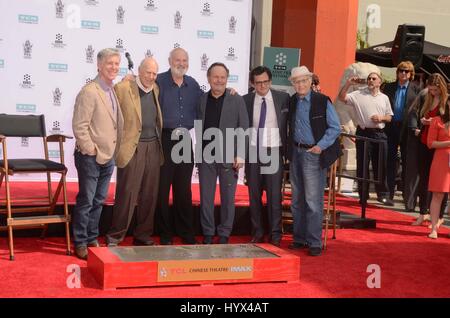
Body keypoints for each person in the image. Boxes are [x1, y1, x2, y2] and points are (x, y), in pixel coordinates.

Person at [72, 48, 123, 260]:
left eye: (116, 64)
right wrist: (91, 149)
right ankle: (81, 241)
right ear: (99, 66)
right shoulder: (89, 91)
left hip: (108, 156)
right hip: (90, 157)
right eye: (109, 63)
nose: (113, 67)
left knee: (99, 200)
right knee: (86, 200)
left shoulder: (112, 90)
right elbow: (79, 126)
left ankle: (92, 237)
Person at [106, 57, 163, 247]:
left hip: (153, 147)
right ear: (139, 70)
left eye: (155, 73)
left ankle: (143, 234)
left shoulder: (155, 89)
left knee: (150, 194)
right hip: (132, 148)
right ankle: (115, 236)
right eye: (148, 72)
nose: (151, 77)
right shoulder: (123, 88)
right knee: (127, 193)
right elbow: (111, 118)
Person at [287, 66, 341, 256]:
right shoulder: (292, 101)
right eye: (296, 81)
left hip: (313, 153)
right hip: (295, 152)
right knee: (296, 200)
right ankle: (299, 239)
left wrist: (320, 146)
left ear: (310, 81)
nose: (300, 84)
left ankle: (314, 241)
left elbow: (335, 127)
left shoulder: (321, 100)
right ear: (292, 84)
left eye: (303, 80)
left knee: (312, 200)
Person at [197, 62, 249, 244]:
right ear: (209, 78)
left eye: (222, 77)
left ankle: (225, 232)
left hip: (230, 157)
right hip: (206, 156)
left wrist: (240, 154)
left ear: (227, 79)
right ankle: (208, 232)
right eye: (215, 77)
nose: (219, 80)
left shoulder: (237, 99)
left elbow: (243, 127)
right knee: (206, 198)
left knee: (228, 198)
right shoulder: (202, 99)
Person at [156, 48, 203, 245]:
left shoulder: (192, 84)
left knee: (184, 190)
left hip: (184, 139)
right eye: (177, 60)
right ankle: (165, 233)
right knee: (162, 188)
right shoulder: (158, 81)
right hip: (164, 139)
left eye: (185, 60)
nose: (181, 63)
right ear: (169, 61)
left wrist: (230, 92)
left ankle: (185, 231)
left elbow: (209, 100)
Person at [243, 66, 289, 246]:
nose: (262, 85)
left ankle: (276, 234)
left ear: (270, 81)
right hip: (253, 151)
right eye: (257, 82)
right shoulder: (245, 100)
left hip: (273, 151)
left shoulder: (283, 99)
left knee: (274, 196)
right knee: (254, 195)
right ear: (252, 84)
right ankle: (257, 232)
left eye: (265, 82)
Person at [339, 71, 394, 206]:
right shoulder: (358, 94)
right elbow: (342, 97)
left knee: (381, 164)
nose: (370, 80)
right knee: (362, 164)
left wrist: (381, 118)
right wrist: (348, 84)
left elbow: (389, 117)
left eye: (373, 78)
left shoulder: (384, 97)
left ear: (379, 82)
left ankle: (383, 195)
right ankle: (363, 195)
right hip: (364, 132)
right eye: (369, 78)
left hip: (379, 133)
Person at [410, 73, 449, 226]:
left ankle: (439, 216)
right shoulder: (427, 98)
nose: (433, 92)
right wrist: (423, 121)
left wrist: (432, 121)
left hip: (441, 145)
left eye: (435, 90)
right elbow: (420, 114)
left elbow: (447, 122)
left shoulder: (447, 101)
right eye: (431, 89)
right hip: (425, 141)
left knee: (442, 182)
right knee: (423, 178)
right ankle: (423, 213)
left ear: (442, 87)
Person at [382, 61, 420, 203]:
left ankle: (407, 196)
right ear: (397, 72)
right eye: (401, 71)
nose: (403, 73)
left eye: (406, 71)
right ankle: (387, 194)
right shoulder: (389, 87)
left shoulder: (417, 89)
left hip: (408, 130)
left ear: (411, 74)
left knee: (408, 162)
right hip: (391, 127)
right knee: (389, 161)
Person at [427, 99, 450, 239]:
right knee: (437, 195)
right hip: (441, 161)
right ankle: (434, 228)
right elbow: (430, 143)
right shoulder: (436, 120)